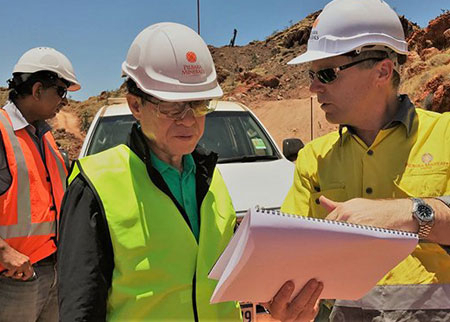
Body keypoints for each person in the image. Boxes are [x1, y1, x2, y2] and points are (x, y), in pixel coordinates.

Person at [58, 22, 323, 321]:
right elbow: (80, 308)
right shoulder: (94, 185)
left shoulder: (212, 180)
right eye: (172, 106)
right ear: (135, 105)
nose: (188, 120)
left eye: (198, 104)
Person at [280, 0, 450, 321]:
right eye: (312, 74)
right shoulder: (313, 160)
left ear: (382, 71)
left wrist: (408, 213)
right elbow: (290, 257)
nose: (314, 87)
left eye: (327, 74)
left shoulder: (446, 136)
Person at [0, 47, 80, 322]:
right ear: (37, 89)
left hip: (53, 272)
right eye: (61, 92)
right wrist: (4, 252)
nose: (64, 102)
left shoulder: (44, 135)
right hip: (12, 280)